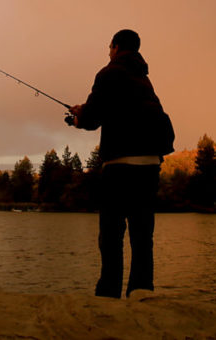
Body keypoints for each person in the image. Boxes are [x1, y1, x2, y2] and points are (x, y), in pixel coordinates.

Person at [69, 29, 174, 299]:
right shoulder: (143, 79)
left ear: (116, 47)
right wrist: (89, 111)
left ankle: (108, 297)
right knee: (142, 238)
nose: (108, 51)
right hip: (150, 167)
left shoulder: (108, 73)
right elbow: (121, 109)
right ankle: (141, 295)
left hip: (120, 167)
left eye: (110, 47)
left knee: (112, 237)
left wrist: (80, 118)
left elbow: (93, 118)